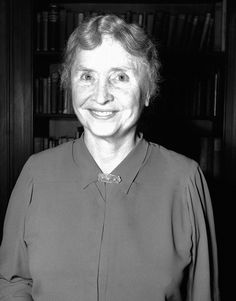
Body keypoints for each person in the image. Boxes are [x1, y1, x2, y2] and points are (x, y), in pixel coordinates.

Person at [0, 14, 220, 301]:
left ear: (148, 91)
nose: (101, 96)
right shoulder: (36, 173)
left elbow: (202, 293)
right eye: (87, 76)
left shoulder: (185, 179)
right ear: (70, 85)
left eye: (120, 77)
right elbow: (13, 281)